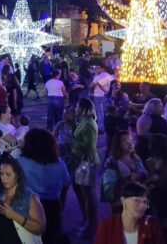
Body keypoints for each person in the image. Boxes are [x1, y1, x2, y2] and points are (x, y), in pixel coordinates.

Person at [18, 128, 70, 244]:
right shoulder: (59, 163)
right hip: (53, 205)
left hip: (30, 206)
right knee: (51, 236)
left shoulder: (21, 162)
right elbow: (66, 183)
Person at [0, 159, 46, 244]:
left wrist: (14, 216)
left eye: (8, 174)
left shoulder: (29, 197)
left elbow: (40, 228)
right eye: (1, 174)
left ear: (17, 175)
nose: (4, 178)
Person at [94, 182, 165, 244]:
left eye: (145, 202)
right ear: (123, 200)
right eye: (137, 200)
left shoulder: (152, 226)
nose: (142, 206)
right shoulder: (106, 226)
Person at [72, 97, 100, 239]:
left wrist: (72, 143)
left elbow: (89, 146)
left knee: (89, 195)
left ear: (83, 108)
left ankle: (92, 225)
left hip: (87, 163)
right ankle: (89, 221)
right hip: (82, 162)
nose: (75, 109)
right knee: (85, 193)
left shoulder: (88, 124)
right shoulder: (84, 121)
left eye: (77, 106)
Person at [101, 130, 148, 212]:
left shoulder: (136, 159)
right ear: (118, 145)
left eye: (130, 140)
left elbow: (144, 175)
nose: (129, 143)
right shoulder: (112, 162)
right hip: (121, 205)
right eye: (125, 141)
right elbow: (108, 187)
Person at [90, 65, 113, 133]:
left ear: (103, 69)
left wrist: (96, 78)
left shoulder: (98, 77)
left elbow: (91, 86)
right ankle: (105, 126)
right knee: (104, 111)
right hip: (105, 95)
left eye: (98, 68)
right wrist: (106, 91)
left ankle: (101, 128)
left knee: (99, 112)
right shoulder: (108, 75)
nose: (97, 69)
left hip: (98, 95)